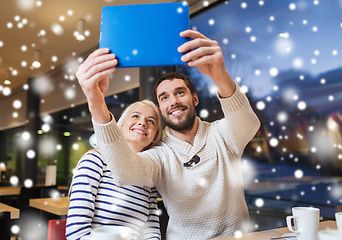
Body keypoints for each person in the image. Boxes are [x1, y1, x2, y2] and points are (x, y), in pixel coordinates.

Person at [76, 29, 261, 239]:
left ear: (195, 99)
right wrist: (96, 102)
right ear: (162, 109)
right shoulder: (159, 155)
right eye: (164, 98)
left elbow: (248, 125)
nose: (173, 101)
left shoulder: (221, 133)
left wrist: (220, 75)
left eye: (180, 93)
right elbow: (124, 171)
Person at [65, 100, 163, 240]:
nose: (142, 123)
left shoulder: (149, 177)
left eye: (151, 121)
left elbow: (151, 233)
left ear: (154, 138)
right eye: (135, 116)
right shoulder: (95, 160)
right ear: (121, 125)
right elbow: (76, 233)